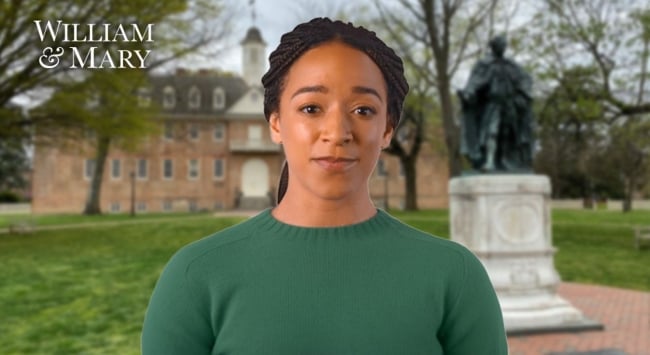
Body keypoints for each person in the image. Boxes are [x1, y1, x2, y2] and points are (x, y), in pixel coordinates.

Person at [142, 17, 508, 354]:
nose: (337, 133)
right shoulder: (195, 277)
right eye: (311, 108)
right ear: (275, 123)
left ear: (387, 130)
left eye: (363, 110)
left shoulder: (454, 277)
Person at [457, 35, 534, 172]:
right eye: (501, 45)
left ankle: (505, 160)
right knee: (492, 131)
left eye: (505, 45)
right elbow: (475, 82)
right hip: (493, 104)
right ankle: (490, 161)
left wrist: (524, 94)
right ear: (494, 47)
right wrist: (468, 93)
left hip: (510, 104)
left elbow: (524, 79)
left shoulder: (510, 64)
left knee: (507, 134)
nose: (503, 48)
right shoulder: (485, 64)